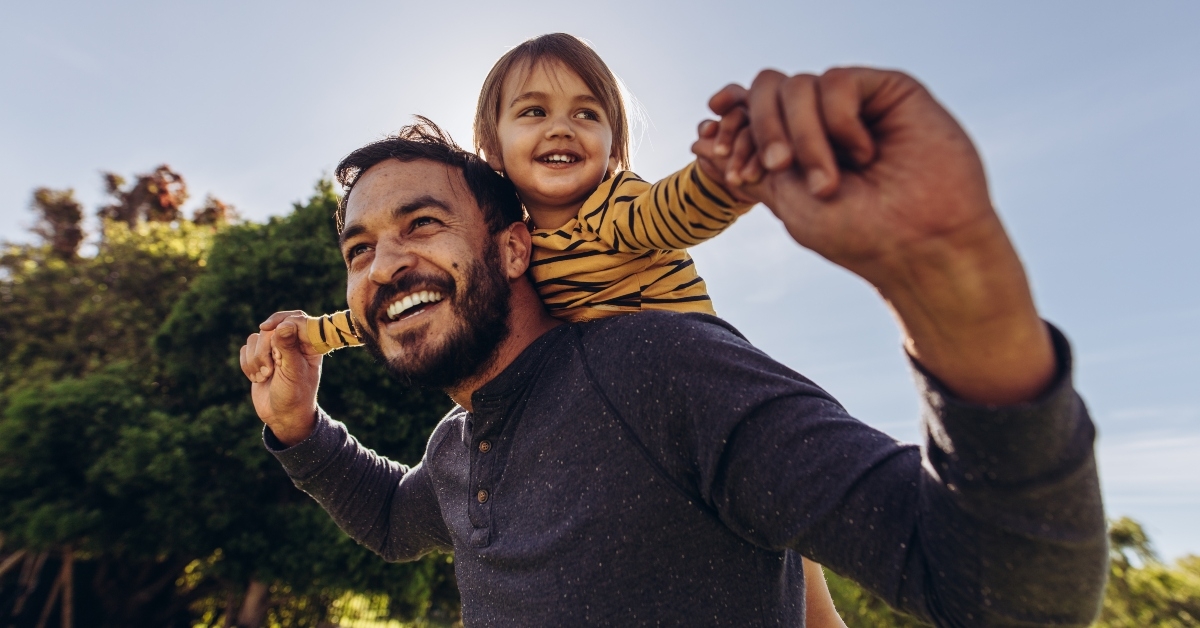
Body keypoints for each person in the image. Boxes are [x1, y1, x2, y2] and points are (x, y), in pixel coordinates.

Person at [240, 66, 1109, 626]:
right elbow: (395, 522)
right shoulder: (458, 446)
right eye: (360, 250)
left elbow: (1006, 593)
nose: (386, 265)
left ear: (512, 248)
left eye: (421, 224)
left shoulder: (655, 367)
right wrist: (299, 428)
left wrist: (955, 281)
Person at [296, 32, 754, 353]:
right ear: (492, 147)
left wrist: (723, 178)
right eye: (535, 111)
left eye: (587, 115)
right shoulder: (519, 251)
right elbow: (405, 299)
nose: (561, 128)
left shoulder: (615, 204)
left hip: (703, 373)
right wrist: (312, 335)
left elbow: (673, 212)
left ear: (613, 151)